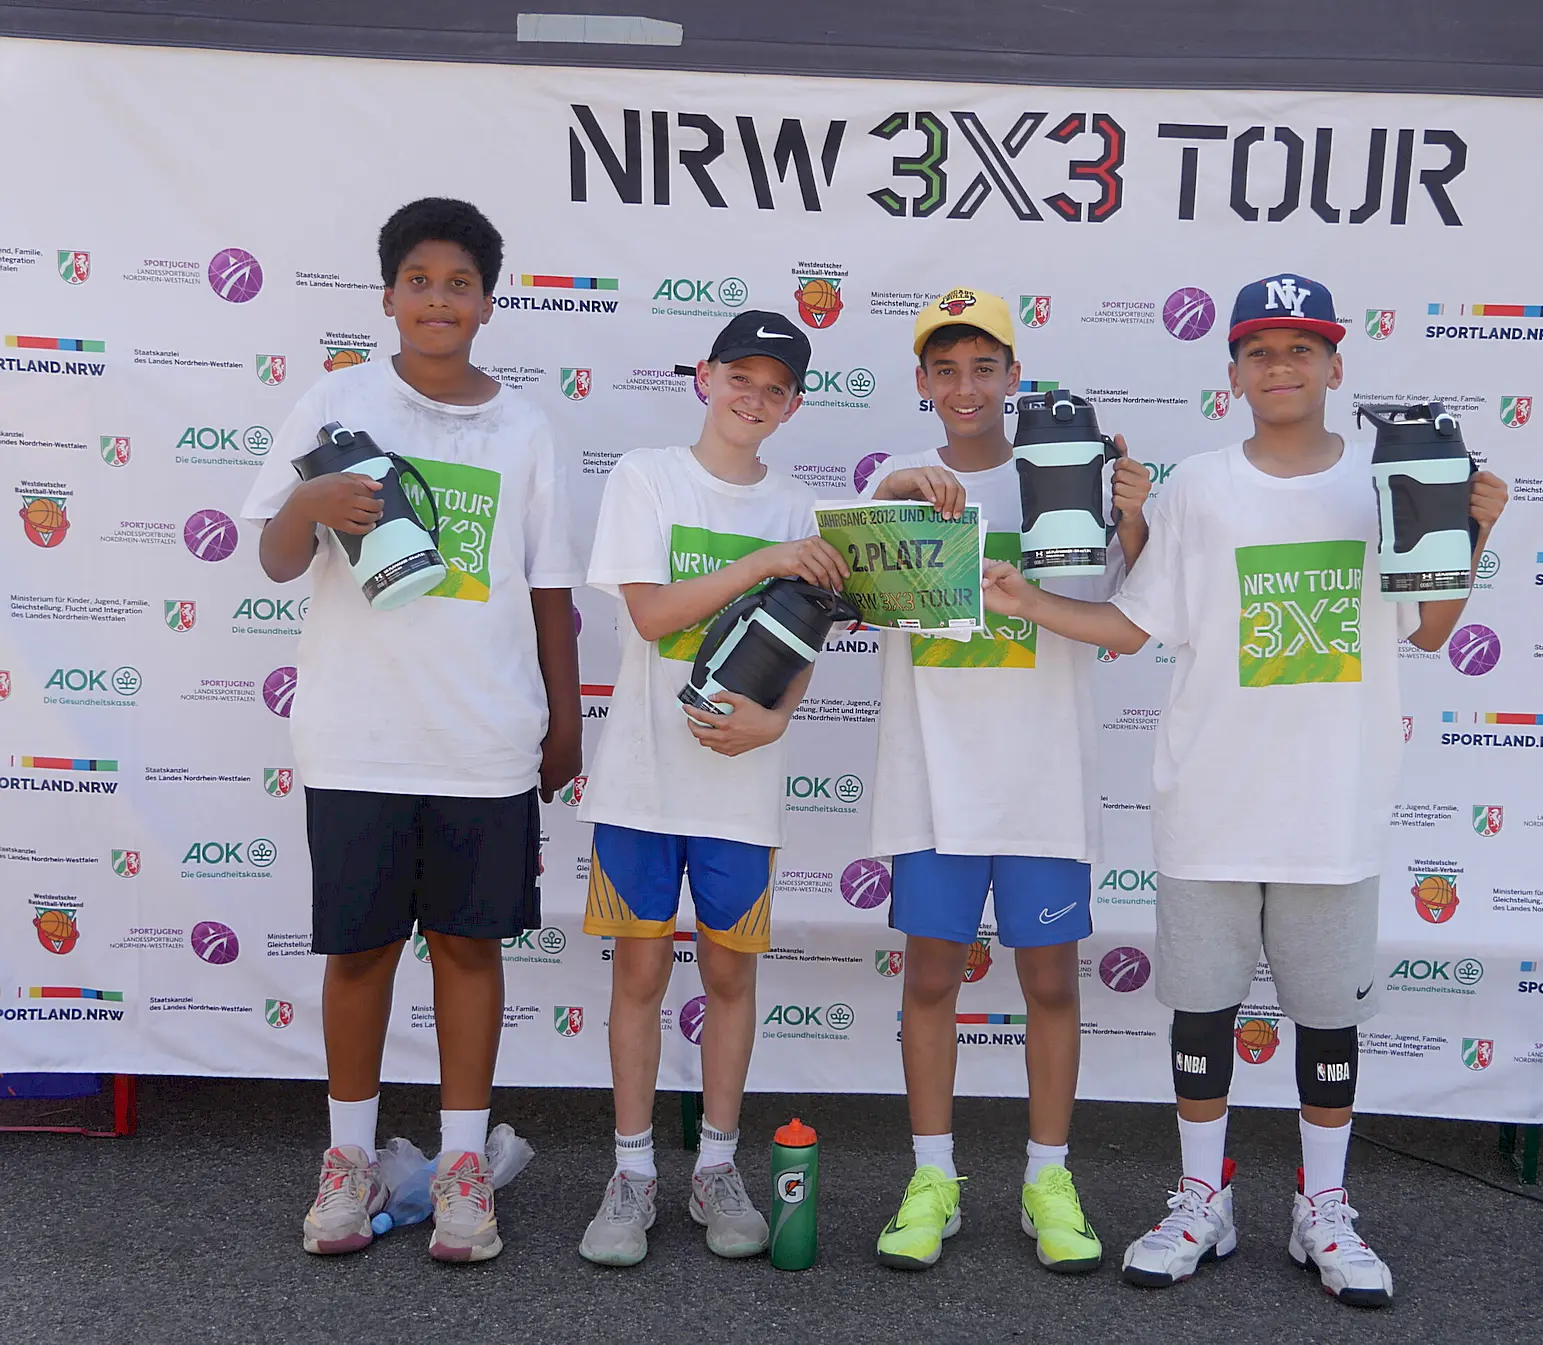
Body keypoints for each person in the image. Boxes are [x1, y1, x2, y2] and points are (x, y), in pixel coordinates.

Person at [981, 274, 1508, 1307]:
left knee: (1328, 1024)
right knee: (1202, 1016)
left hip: (1332, 808)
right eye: (1260, 351)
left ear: (1336, 366)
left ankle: (1324, 1207)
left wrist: (1474, 531)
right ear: (1231, 373)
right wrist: (1026, 599)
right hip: (1211, 802)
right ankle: (1201, 1197)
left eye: (1301, 349)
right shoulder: (1198, 489)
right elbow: (1135, 625)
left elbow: (1432, 631)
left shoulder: (1386, 476)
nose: (1281, 367)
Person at [244, 197, 583, 1262]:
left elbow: (549, 593)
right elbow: (276, 559)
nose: (439, 299)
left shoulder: (525, 428)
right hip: (357, 734)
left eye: (460, 284)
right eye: (419, 281)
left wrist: (564, 719)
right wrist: (310, 505)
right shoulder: (335, 401)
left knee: (470, 946)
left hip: (485, 736)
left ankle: (463, 1164)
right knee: (360, 951)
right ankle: (347, 1159)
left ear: (488, 303)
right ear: (388, 296)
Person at [864, 288, 1152, 1273]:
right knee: (930, 979)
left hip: (1043, 779)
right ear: (921, 381)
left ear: (1014, 376)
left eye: (984, 367)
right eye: (945, 369)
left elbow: (1128, 610)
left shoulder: (1068, 471)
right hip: (932, 780)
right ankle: (932, 1177)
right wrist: (893, 493)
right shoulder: (899, 485)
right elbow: (852, 593)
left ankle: (1047, 1179)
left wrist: (1132, 516)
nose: (966, 386)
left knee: (1051, 983)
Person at [576, 311, 850, 1267]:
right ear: (705, 376)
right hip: (642, 782)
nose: (754, 398)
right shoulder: (646, 476)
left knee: (730, 977)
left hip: (741, 786)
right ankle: (632, 1172)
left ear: (794, 405)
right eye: (741, 377)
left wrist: (778, 721)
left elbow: (807, 635)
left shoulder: (803, 507)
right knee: (640, 975)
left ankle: (718, 1166)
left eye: (776, 388)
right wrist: (762, 561)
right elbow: (653, 616)